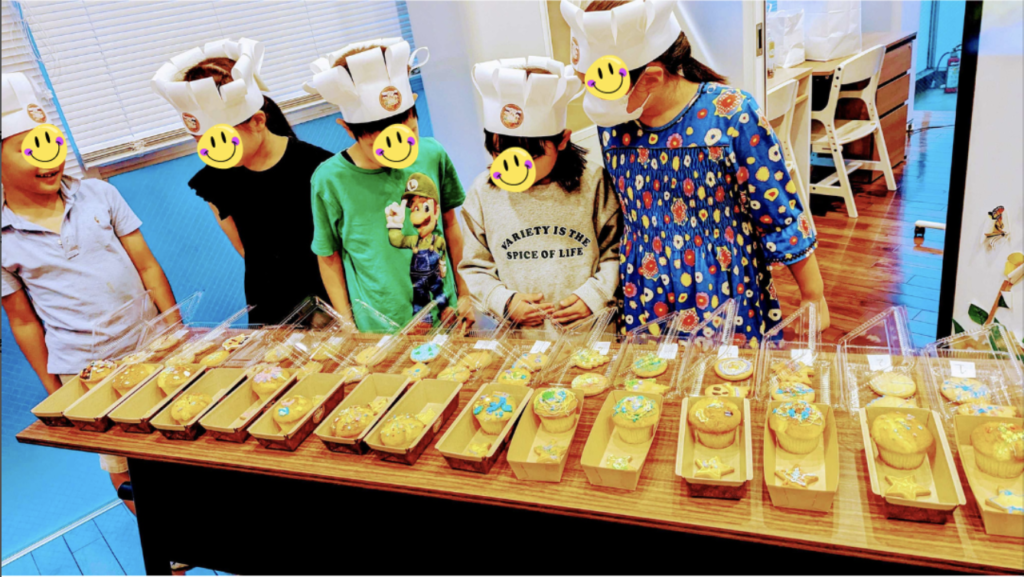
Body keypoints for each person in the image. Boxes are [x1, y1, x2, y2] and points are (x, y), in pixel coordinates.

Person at [563, 0, 830, 346]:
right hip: (645, 287)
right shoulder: (614, 124)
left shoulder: (731, 114)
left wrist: (813, 294)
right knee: (653, 375)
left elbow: (778, 210)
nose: (593, 101)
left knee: (728, 376)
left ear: (652, 77)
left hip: (722, 284)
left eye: (598, 88)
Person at [1, 71, 176, 513]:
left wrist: (177, 331)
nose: (51, 158)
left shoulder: (99, 194)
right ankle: (161, 534)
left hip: (153, 346)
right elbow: (22, 320)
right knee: (121, 460)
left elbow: (147, 266)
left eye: (52, 143)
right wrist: (53, 390)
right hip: (85, 371)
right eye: (30, 149)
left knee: (177, 431)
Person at [152, 38, 331, 325]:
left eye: (219, 139)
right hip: (269, 307)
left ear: (258, 121)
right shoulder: (215, 180)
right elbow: (247, 250)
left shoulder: (319, 167)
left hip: (328, 299)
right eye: (199, 141)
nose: (211, 152)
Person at [305, 39, 471, 332]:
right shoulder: (330, 179)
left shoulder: (432, 153)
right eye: (380, 145)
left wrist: (465, 292)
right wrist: (348, 325)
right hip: (380, 328)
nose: (400, 152)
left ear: (414, 106)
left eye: (410, 133)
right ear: (348, 129)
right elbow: (328, 256)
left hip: (446, 316)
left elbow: (450, 225)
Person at [459, 57, 621, 328]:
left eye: (532, 157)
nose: (515, 170)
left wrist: (595, 295)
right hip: (521, 341)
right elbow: (474, 266)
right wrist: (505, 302)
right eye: (500, 154)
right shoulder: (482, 193)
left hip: (590, 333)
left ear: (562, 140)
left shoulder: (593, 183)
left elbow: (617, 250)